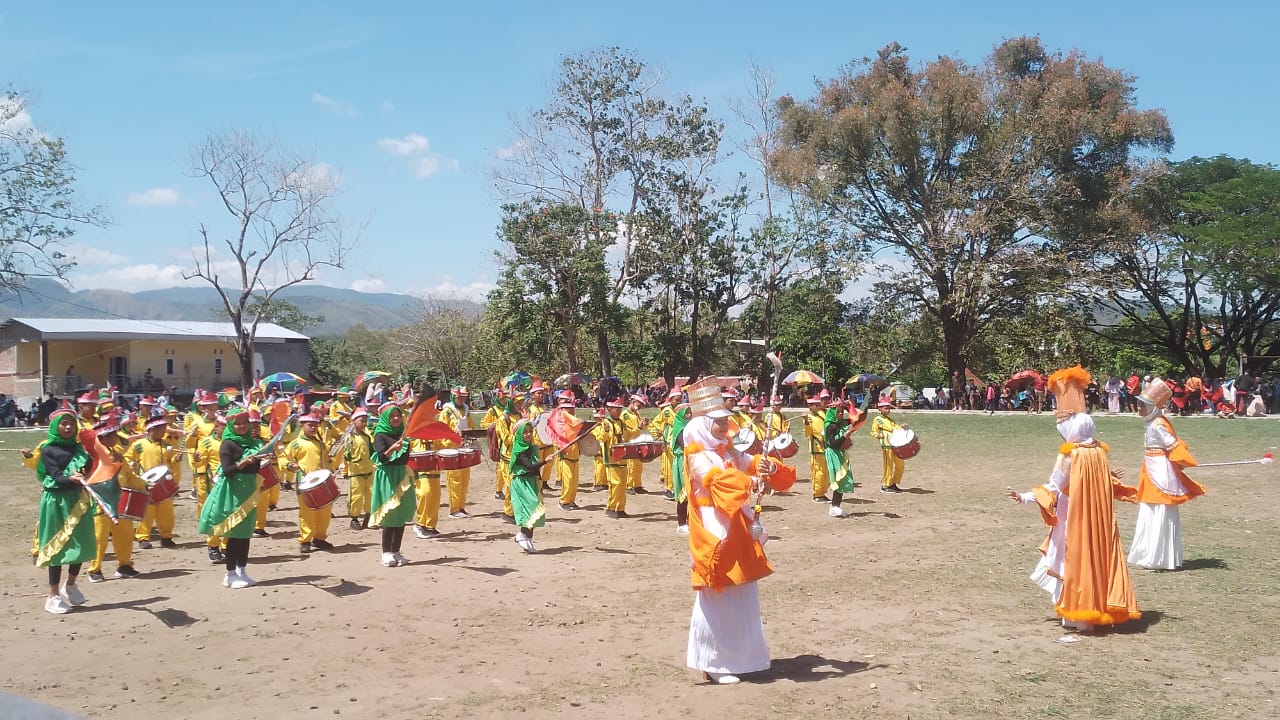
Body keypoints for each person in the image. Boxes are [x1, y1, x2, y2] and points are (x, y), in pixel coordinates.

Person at [1007, 366, 1141, 632]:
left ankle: (1079, 614)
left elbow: (1055, 487)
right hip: (1097, 519)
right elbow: (1100, 481)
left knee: (1072, 560)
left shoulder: (1070, 455)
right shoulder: (1097, 452)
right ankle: (1095, 609)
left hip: (1074, 517)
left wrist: (1026, 497)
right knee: (1094, 558)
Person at [682, 400, 797, 684]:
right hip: (714, 533)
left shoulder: (728, 451)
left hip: (737, 527)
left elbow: (748, 463)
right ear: (703, 425)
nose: (725, 427)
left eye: (725, 422)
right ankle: (713, 663)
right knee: (718, 595)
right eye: (718, 423)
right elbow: (722, 482)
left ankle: (740, 659)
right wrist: (751, 483)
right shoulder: (698, 456)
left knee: (743, 593)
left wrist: (765, 465)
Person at [1128, 378, 1207, 570]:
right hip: (1151, 467)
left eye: (1143, 405)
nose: (1139, 409)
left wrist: (1182, 461)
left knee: (1160, 507)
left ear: (1154, 407)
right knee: (1150, 507)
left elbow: (1173, 445)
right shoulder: (1153, 423)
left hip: (1160, 471)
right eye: (1139, 405)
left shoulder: (1157, 425)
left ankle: (1158, 557)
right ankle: (1150, 554)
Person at [198, 408, 269, 589]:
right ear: (230, 425)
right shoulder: (227, 444)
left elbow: (256, 467)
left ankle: (242, 571)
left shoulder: (254, 442)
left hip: (249, 491)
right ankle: (229, 574)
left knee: (245, 534)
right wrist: (244, 462)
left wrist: (265, 457)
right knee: (235, 535)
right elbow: (228, 470)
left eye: (245, 423)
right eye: (238, 423)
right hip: (233, 492)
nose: (242, 426)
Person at [35, 406, 95, 614]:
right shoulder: (48, 449)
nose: (68, 427)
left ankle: (70, 584)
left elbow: (91, 469)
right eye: (63, 423)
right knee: (57, 547)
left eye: (71, 423)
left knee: (81, 543)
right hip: (56, 501)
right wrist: (70, 479)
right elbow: (54, 474)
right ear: (55, 426)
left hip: (78, 500)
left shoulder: (82, 449)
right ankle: (52, 595)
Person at [282, 414, 335, 554]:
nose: (313, 428)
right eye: (310, 425)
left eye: (315, 425)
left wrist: (330, 469)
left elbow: (325, 461)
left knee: (324, 512)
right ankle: (305, 540)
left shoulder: (320, 443)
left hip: (322, 483)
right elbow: (284, 458)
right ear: (302, 425)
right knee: (307, 513)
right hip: (305, 483)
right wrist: (289, 465)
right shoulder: (296, 443)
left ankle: (319, 538)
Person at [370, 406, 415, 567]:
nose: (396, 419)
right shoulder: (380, 435)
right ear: (386, 418)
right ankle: (386, 552)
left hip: (402, 475)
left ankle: (396, 550)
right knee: (391, 514)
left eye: (398, 415)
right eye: (392, 416)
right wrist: (392, 449)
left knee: (401, 514)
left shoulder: (403, 433)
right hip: (388, 476)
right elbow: (381, 458)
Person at [508, 418, 547, 552]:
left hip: (532, 482)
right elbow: (529, 466)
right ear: (519, 434)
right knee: (530, 509)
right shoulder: (519, 451)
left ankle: (528, 539)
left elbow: (534, 470)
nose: (528, 434)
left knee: (537, 510)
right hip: (522, 482)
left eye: (530, 431)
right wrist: (545, 461)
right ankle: (522, 534)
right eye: (525, 432)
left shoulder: (531, 448)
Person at [823, 399, 861, 517]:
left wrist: (851, 406)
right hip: (833, 454)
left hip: (840, 453)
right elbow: (833, 443)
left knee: (843, 479)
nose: (840, 414)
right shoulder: (830, 426)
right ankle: (834, 506)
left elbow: (857, 418)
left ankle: (836, 506)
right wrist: (844, 436)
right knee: (838, 479)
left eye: (841, 412)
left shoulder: (841, 423)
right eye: (838, 412)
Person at [342, 408, 375, 529]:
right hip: (356, 472)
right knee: (356, 495)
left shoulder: (367, 437)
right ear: (354, 421)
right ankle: (354, 518)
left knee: (370, 493)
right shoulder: (349, 438)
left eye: (366, 421)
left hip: (369, 470)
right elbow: (347, 454)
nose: (364, 424)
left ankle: (368, 515)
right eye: (362, 421)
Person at [870, 399, 906, 493]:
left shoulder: (890, 420)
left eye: (889, 408)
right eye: (886, 408)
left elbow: (896, 428)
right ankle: (885, 485)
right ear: (880, 409)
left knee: (900, 464)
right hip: (886, 445)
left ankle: (893, 483)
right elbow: (874, 432)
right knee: (888, 466)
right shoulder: (878, 419)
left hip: (895, 445)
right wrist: (878, 435)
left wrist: (902, 427)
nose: (888, 410)